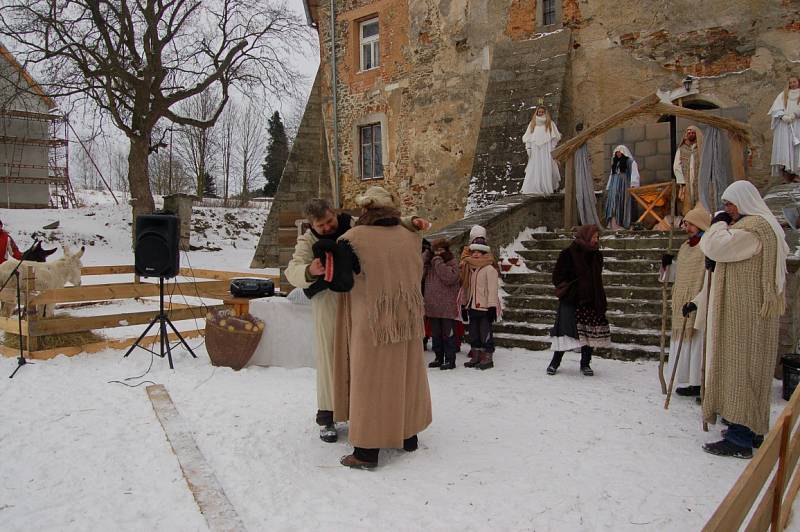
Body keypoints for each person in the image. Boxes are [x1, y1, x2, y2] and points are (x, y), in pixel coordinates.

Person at [284, 198, 427, 444]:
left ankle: (359, 411)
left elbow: (383, 224)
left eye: (329, 221)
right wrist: (310, 270)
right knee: (331, 360)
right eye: (321, 226)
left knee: (361, 361)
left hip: (358, 301)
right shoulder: (308, 241)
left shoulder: (354, 225)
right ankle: (327, 416)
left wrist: (409, 222)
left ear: (334, 213)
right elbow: (292, 270)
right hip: (329, 305)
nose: (327, 227)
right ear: (312, 225)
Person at [331, 186, 432, 469]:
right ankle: (408, 436)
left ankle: (366, 451)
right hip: (408, 318)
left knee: (370, 382)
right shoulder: (411, 237)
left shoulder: (352, 239)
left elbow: (341, 281)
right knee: (406, 376)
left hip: (372, 320)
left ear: (365, 210)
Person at [687, 180, 789, 459]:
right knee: (744, 368)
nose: (728, 209)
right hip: (744, 312)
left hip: (746, 315)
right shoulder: (760, 227)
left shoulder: (755, 229)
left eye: (730, 204)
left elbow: (715, 246)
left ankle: (741, 437)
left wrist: (717, 224)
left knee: (742, 368)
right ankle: (750, 428)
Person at [547, 225, 611, 376]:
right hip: (572, 300)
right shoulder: (568, 253)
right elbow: (557, 276)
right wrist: (570, 289)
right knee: (565, 332)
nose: (596, 239)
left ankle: (585, 364)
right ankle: (554, 363)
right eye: (594, 236)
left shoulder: (597, 255)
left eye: (597, 237)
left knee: (589, 334)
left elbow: (597, 278)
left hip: (591, 299)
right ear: (586, 236)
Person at [661, 204, 711, 397]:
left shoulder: (707, 247)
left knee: (698, 344)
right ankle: (690, 381)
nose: (686, 228)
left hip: (698, 300)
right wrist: (668, 265)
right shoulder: (684, 247)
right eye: (685, 224)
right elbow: (677, 274)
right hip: (681, 299)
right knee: (683, 344)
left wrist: (698, 300)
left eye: (690, 224)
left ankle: (700, 383)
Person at [460, 241, 500, 370]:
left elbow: (492, 289)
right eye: (474, 252)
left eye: (478, 252)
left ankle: (487, 357)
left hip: (485, 308)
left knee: (485, 332)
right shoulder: (472, 269)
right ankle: (476, 356)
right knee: (474, 333)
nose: (475, 255)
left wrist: (492, 307)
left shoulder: (489, 269)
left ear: (484, 254)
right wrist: (465, 305)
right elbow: (468, 289)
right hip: (473, 306)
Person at [422, 239, 461, 370]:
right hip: (432, 305)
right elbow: (418, 272)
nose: (438, 253)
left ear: (446, 250)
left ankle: (450, 360)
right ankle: (439, 358)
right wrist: (426, 255)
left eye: (440, 250)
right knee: (436, 335)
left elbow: (449, 278)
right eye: (435, 251)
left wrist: (437, 262)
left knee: (448, 334)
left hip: (447, 306)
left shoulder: (451, 262)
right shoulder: (430, 264)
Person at [521, 106, 562, 195]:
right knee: (535, 167)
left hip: (546, 149)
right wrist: (528, 148)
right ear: (536, 112)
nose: (540, 113)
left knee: (546, 166)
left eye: (542, 112)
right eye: (539, 112)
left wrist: (552, 148)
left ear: (545, 113)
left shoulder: (550, 124)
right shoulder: (532, 124)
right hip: (535, 149)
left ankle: (545, 186)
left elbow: (554, 138)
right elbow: (528, 137)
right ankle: (534, 186)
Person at [768, 76, 800, 183]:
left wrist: (795, 115)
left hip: (797, 124)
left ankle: (797, 174)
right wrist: (782, 116)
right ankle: (787, 175)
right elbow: (776, 109)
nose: (792, 84)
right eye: (790, 82)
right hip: (785, 126)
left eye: (794, 82)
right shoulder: (783, 95)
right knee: (785, 149)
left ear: (798, 82)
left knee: (796, 149)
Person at [605, 145, 641, 230]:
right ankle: (613, 224)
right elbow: (612, 175)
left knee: (623, 204)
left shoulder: (630, 162)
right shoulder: (615, 163)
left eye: (619, 152)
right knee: (613, 205)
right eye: (616, 152)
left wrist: (633, 184)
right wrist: (609, 186)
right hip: (614, 188)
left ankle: (622, 224)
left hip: (624, 187)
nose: (618, 154)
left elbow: (634, 174)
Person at [673, 125, 703, 215]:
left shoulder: (701, 149)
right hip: (687, 180)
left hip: (699, 180)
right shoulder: (681, 149)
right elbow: (677, 166)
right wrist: (682, 180)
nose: (691, 134)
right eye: (689, 133)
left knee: (700, 199)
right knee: (687, 202)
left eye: (693, 133)